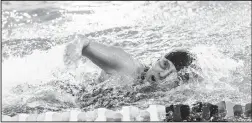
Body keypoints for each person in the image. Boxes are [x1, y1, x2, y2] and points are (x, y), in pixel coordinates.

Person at [64, 34, 196, 89]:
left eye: (170, 74)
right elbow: (81, 40)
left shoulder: (172, 91)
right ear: (157, 60)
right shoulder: (126, 66)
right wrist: (73, 55)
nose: (161, 74)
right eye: (163, 65)